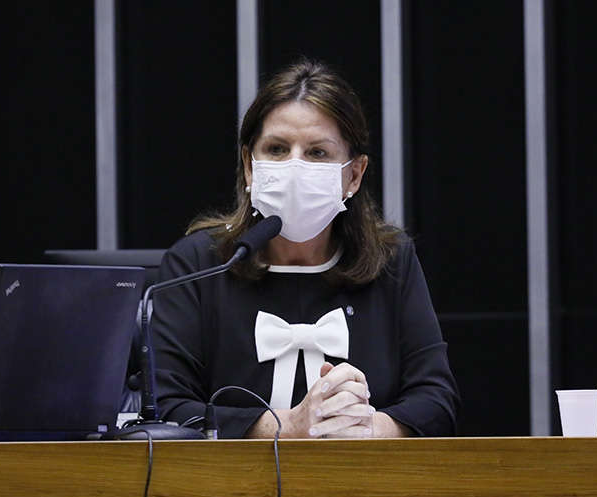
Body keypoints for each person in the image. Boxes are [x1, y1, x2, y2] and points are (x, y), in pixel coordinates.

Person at [151, 58, 460, 444]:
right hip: (231, 485)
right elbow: (167, 409)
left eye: (317, 153)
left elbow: (437, 403)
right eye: (277, 149)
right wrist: (288, 427)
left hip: (363, 482)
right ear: (249, 166)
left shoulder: (392, 261)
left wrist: (367, 427)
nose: (294, 167)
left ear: (354, 174)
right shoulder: (199, 263)